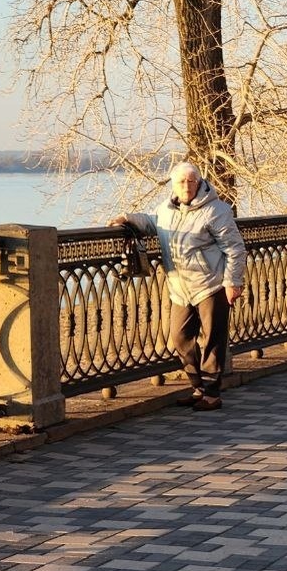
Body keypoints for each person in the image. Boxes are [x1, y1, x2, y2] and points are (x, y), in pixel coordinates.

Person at [108, 162, 246, 411]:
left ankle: (212, 394)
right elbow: (152, 222)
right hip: (180, 287)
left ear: (199, 182)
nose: (186, 186)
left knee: (213, 338)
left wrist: (233, 282)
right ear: (173, 184)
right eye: (181, 182)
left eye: (191, 181)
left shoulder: (217, 210)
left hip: (210, 284)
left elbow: (235, 248)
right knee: (180, 338)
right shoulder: (166, 209)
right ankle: (198, 387)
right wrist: (127, 218)